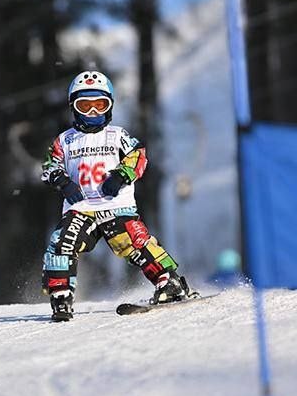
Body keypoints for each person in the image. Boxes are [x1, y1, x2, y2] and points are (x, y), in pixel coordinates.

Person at [41, 70, 195, 321]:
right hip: (80, 208)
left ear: (110, 107)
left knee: (135, 241)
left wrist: (122, 175)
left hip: (116, 205)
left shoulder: (117, 135)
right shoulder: (65, 141)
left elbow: (138, 156)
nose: (93, 112)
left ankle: (169, 282)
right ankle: (61, 294)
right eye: (85, 106)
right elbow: (50, 165)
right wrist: (62, 181)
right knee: (61, 242)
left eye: (100, 105)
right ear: (73, 108)